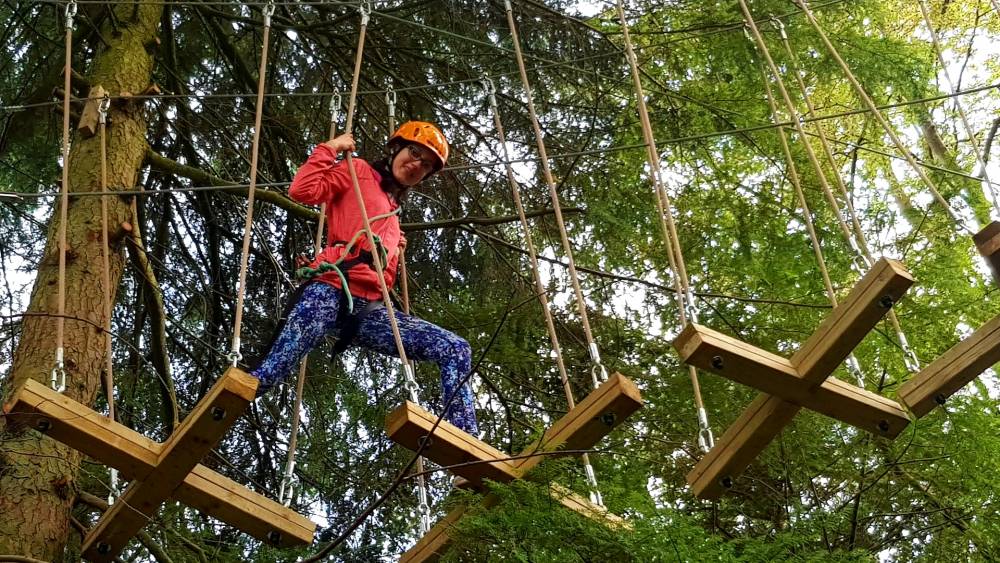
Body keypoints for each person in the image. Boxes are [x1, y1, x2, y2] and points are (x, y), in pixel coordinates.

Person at [251, 121, 479, 435]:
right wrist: (330, 149)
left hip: (369, 310)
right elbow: (302, 190)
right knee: (275, 367)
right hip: (330, 289)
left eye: (426, 165)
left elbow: (380, 274)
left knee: (455, 348)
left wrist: (394, 251)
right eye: (414, 153)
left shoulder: (394, 215)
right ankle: (229, 402)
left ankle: (465, 445)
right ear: (395, 148)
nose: (416, 165)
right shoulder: (357, 172)